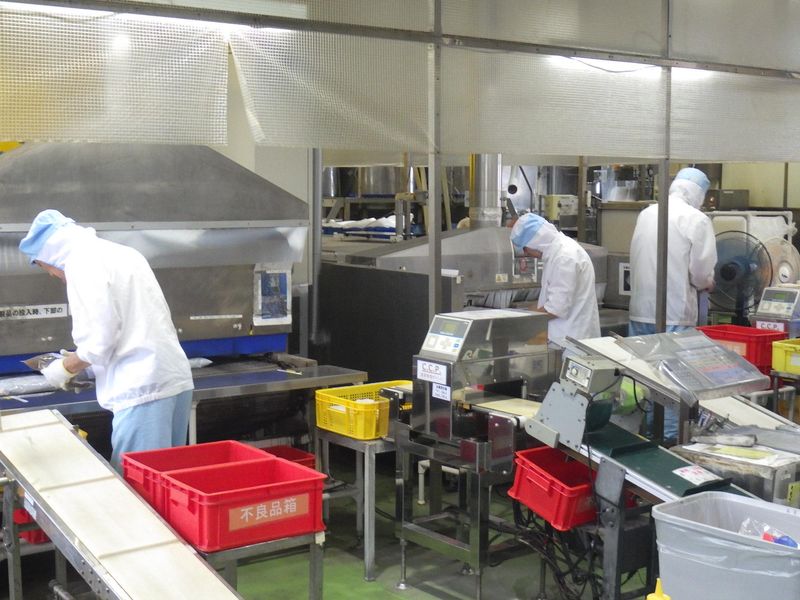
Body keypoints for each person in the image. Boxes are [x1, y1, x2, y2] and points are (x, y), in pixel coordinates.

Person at [19, 209, 194, 470]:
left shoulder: (81, 264)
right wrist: (89, 367)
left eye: (44, 267)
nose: (51, 275)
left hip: (142, 391)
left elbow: (99, 341)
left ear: (50, 254)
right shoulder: (122, 253)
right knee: (166, 479)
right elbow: (134, 325)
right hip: (172, 380)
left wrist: (64, 368)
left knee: (139, 484)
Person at [628, 167, 717, 442]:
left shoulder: (647, 213)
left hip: (641, 311)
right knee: (673, 382)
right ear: (699, 194)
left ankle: (644, 435)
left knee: (644, 378)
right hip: (675, 313)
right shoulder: (696, 219)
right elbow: (700, 272)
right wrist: (707, 282)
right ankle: (667, 441)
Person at [510, 213, 601, 349]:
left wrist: (520, 321)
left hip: (572, 343)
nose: (526, 253)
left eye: (526, 248)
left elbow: (556, 308)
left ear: (535, 242)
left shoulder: (564, 257)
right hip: (565, 339)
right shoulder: (557, 252)